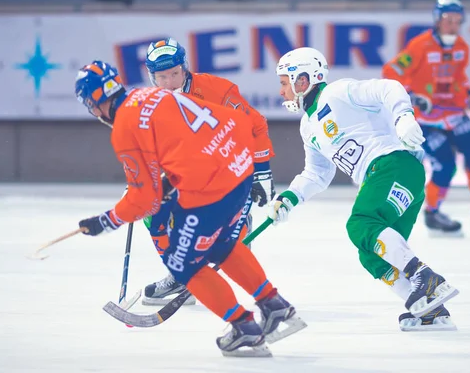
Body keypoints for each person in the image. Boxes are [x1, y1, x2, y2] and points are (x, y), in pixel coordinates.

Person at [75, 61, 304, 356]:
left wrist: (106, 221)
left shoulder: (123, 129)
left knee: (184, 266)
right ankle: (274, 306)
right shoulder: (153, 95)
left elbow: (144, 201)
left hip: (212, 187)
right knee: (221, 245)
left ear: (95, 105)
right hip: (238, 167)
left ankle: (244, 328)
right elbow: (204, 134)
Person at [269, 47, 459, 331]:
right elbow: (318, 173)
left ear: (304, 80)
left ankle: (424, 276)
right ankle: (429, 311)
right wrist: (289, 197)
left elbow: (389, 88)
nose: (281, 91)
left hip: (393, 165)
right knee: (370, 252)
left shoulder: (338, 92)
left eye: (285, 82)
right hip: (391, 178)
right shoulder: (308, 126)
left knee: (361, 223)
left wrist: (403, 118)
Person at [140, 38, 276, 306]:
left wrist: (262, 173)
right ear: (151, 77)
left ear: (185, 68)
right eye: (162, 77)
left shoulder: (216, 90)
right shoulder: (149, 103)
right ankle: (181, 274)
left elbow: (256, 125)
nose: (169, 82)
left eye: (175, 74)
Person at [382, 0, 470, 235]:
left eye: (457, 20)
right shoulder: (419, 45)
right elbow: (391, 70)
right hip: (425, 118)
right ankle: (432, 213)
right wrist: (411, 94)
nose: (452, 24)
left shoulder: (462, 47)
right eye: (447, 19)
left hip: (453, 112)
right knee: (445, 166)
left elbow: (459, 80)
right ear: (437, 20)